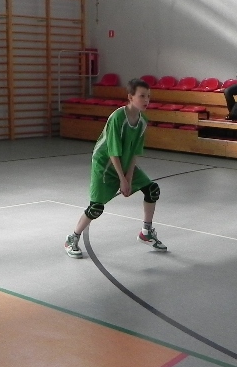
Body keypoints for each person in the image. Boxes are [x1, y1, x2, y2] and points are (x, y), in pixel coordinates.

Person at [65, 78, 168, 258]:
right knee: (96, 208)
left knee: (152, 190)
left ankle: (146, 232)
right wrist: (122, 179)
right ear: (130, 97)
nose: (146, 100)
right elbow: (113, 151)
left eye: (148, 96)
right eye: (142, 96)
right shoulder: (118, 117)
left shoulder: (143, 121)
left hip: (125, 161)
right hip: (105, 163)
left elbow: (135, 151)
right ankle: (72, 238)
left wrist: (129, 177)